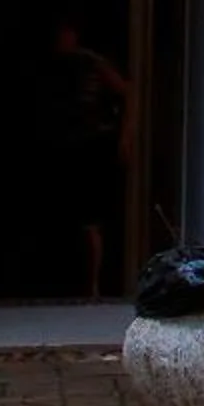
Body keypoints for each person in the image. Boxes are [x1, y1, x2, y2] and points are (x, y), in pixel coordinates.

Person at [37, 19, 130, 299]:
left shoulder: (90, 64)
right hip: (61, 146)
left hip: (90, 147)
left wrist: (126, 138)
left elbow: (126, 91)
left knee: (90, 221)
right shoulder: (48, 68)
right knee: (64, 217)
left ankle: (92, 286)